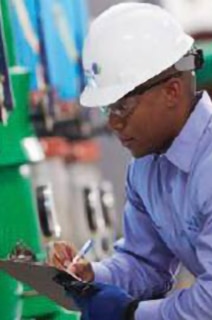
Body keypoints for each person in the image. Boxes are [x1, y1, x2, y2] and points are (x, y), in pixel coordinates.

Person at [48, 3, 212, 319]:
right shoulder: (146, 167)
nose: (113, 123)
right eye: (107, 109)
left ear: (172, 92)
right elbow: (147, 264)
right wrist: (92, 275)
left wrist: (131, 313)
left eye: (122, 107)